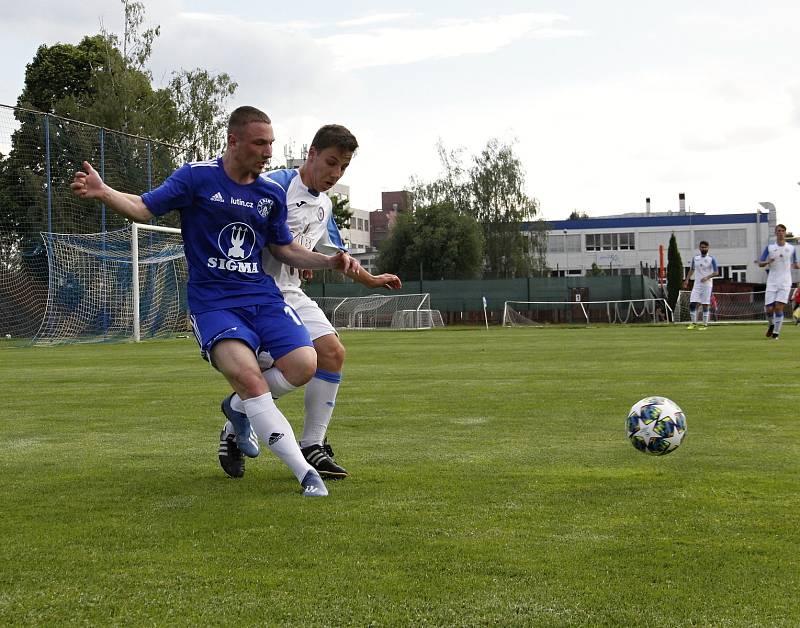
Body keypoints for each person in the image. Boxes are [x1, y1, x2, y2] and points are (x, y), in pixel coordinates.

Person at [71, 106, 363, 497]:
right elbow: (143, 206)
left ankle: (239, 412)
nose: (267, 152)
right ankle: (305, 471)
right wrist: (103, 191)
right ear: (233, 141)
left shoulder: (269, 193)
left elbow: (286, 249)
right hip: (214, 303)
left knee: (307, 363)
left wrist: (328, 261)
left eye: (271, 144)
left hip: (264, 296)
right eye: (260, 143)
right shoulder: (197, 177)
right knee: (250, 378)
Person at [217, 124, 402, 480]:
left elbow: (337, 255)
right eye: (331, 162)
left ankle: (310, 443)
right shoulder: (271, 186)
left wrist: (371, 280)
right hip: (250, 292)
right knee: (292, 366)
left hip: (288, 292)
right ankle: (235, 427)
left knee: (332, 353)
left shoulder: (326, 205)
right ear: (312, 153)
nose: (335, 174)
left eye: (343, 168)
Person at [757, 223, 799, 340]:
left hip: (785, 282)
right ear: (775, 233)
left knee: (778, 307)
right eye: (778, 231)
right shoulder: (770, 248)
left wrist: (796, 266)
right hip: (772, 281)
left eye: (782, 231)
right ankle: (771, 324)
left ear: (785, 233)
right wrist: (767, 261)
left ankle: (776, 333)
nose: (780, 233)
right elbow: (760, 263)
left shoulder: (791, 248)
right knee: (769, 309)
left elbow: (796, 264)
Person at [683, 240, 718, 330]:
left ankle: (704, 324)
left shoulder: (711, 259)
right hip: (697, 285)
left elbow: (716, 272)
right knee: (692, 303)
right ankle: (693, 323)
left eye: (705, 247)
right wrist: (687, 280)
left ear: (708, 248)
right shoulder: (695, 258)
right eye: (702, 247)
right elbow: (692, 269)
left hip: (707, 285)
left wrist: (707, 277)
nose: (704, 249)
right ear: (699, 248)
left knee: (705, 304)